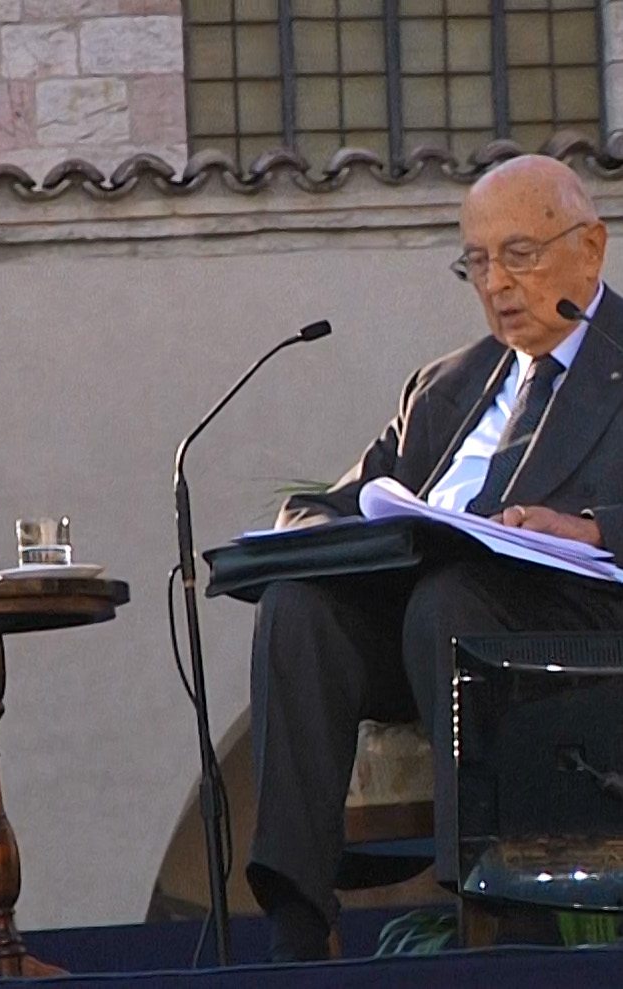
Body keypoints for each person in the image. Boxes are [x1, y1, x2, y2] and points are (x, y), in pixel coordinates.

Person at [247, 154, 623, 961]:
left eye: (519, 255)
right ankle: (297, 927)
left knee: (450, 600)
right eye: (476, 262)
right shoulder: (447, 384)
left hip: (576, 633)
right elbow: (332, 503)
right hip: (431, 618)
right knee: (299, 607)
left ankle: (503, 918)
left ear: (590, 248)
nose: (497, 283)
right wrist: (308, 535)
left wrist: (595, 528)